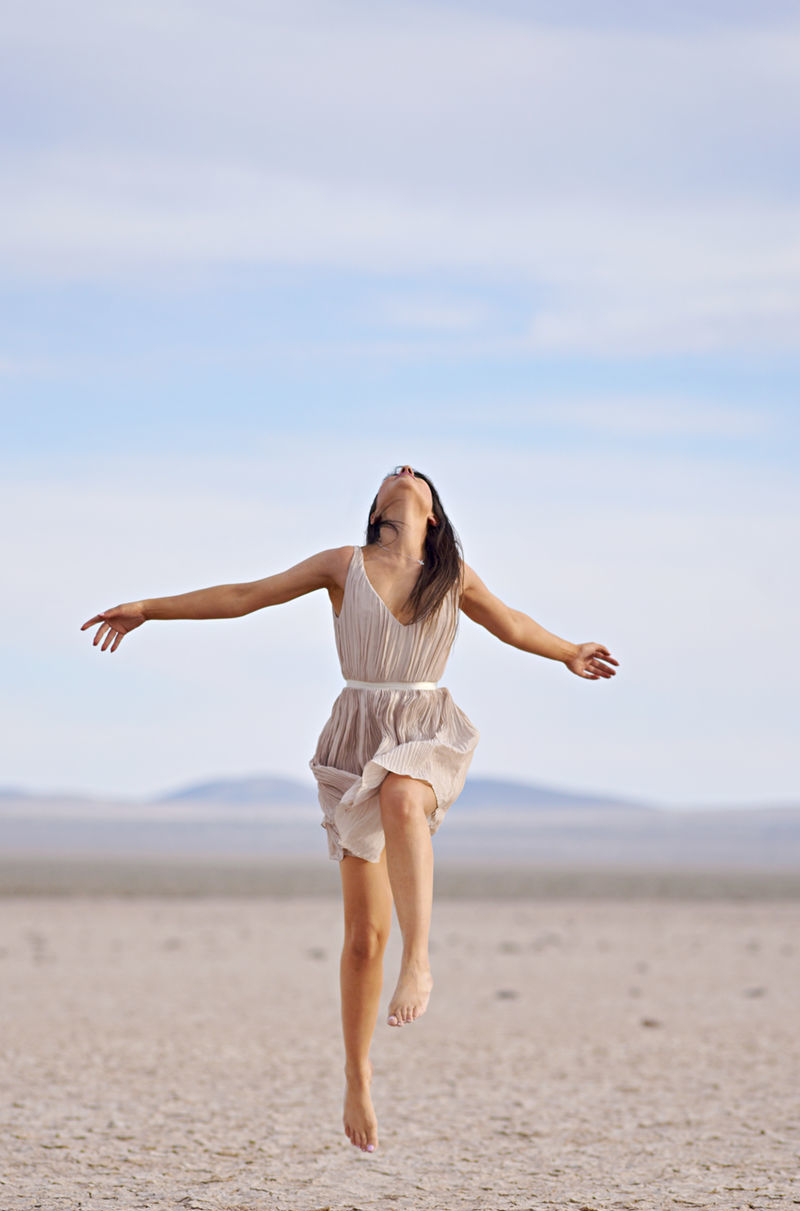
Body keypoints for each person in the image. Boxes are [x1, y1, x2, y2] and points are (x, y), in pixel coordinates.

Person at [82, 464, 618, 1154]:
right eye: (394, 476)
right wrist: (149, 608)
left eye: (419, 478)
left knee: (402, 792)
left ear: (432, 516)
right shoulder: (344, 565)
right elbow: (246, 594)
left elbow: (511, 624)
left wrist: (569, 651)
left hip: (424, 727)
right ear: (377, 512)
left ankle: (420, 960)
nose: (403, 473)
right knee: (364, 937)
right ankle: (358, 1073)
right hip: (354, 737)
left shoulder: (452, 575)